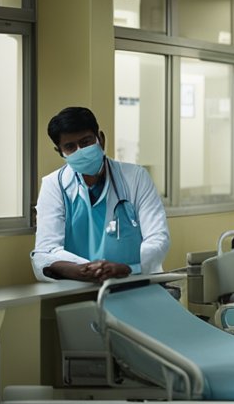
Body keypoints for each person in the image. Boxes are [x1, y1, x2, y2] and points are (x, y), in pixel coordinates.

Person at [31, 106, 170, 282]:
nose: (79, 150)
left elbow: (157, 238)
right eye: (70, 146)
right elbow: (45, 251)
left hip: (133, 281)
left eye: (86, 141)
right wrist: (84, 270)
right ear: (60, 152)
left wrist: (128, 269)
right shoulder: (54, 185)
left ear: (101, 139)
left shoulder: (135, 177)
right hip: (76, 287)